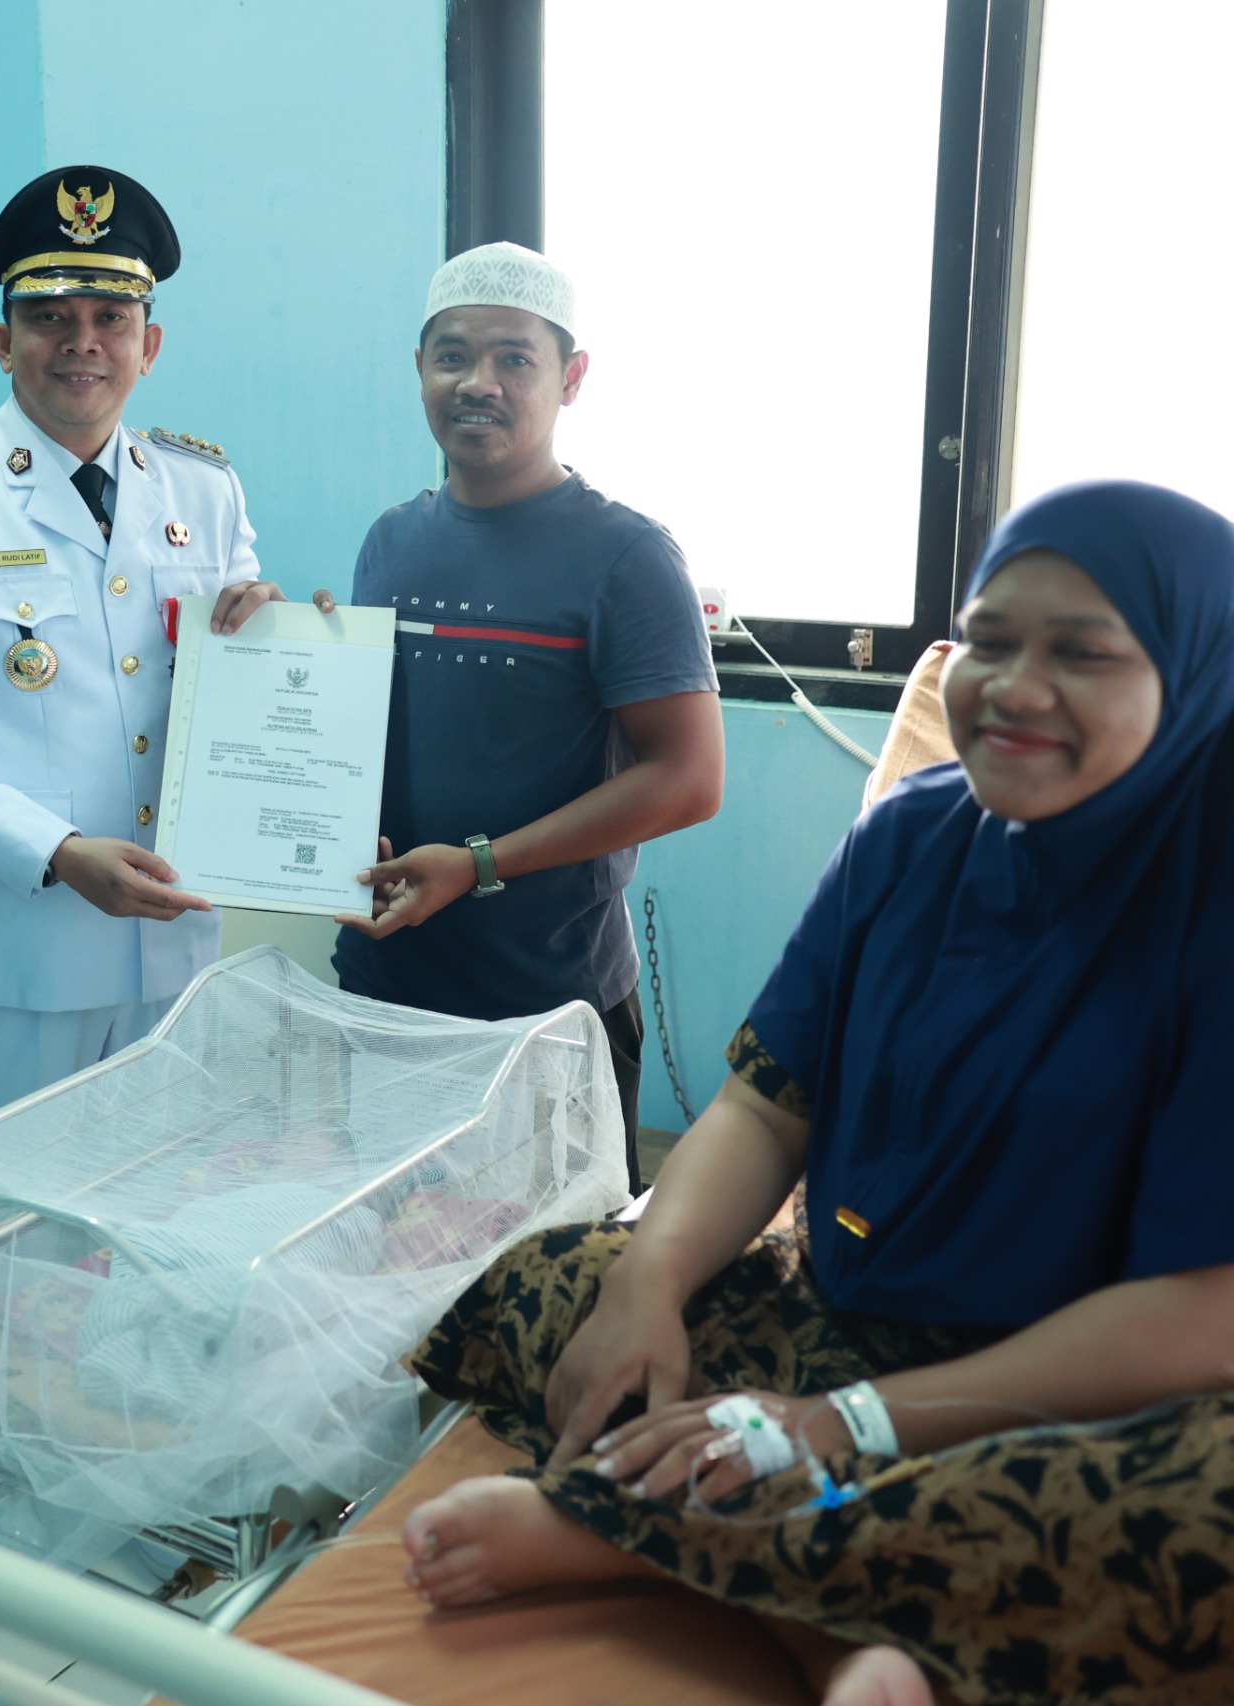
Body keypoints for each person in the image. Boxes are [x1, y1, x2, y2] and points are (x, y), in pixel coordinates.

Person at [398, 482, 1234, 1706]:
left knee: (1199, 1515)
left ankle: (624, 1526)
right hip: (846, 1316)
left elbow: (1203, 1315)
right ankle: (839, 1622)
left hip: (1080, 1391)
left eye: (1082, 653)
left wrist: (842, 1423)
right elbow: (764, 1105)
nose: (1013, 686)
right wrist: (647, 1285)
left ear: (1196, 670)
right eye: (988, 638)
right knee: (552, 1283)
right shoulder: (911, 836)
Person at [0, 166, 281, 1126]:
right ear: (3, 341)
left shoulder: (205, 492)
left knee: (173, 1202)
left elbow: (237, 716)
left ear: (148, 346)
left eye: (111, 317)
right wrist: (59, 853)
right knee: (24, 1217)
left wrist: (290, 666)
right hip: (22, 956)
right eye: (49, 316)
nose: (82, 341)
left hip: (182, 951)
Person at [324, 242, 722, 1187]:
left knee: (553, 1263)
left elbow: (689, 780)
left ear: (571, 377)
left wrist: (479, 865)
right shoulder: (390, 541)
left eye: (515, 358)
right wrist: (271, 646)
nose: (479, 383)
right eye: (453, 356)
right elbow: (369, 738)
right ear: (419, 369)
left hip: (550, 1002)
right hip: (388, 986)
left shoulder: (627, 558)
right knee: (395, 1245)